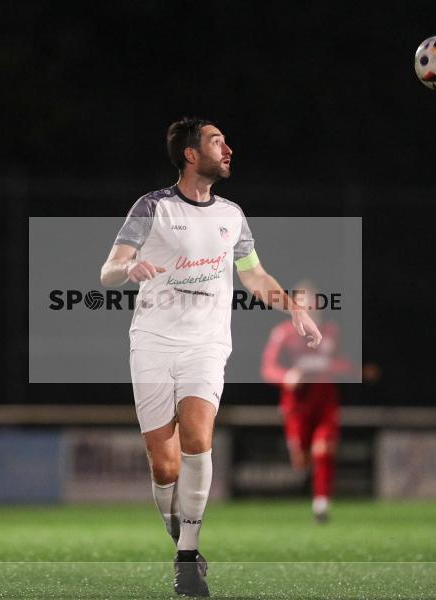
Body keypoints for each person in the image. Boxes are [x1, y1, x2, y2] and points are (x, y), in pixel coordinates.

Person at [100, 117, 322, 597]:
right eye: (218, 142)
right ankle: (180, 537)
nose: (229, 149)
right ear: (190, 155)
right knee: (164, 465)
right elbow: (108, 270)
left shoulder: (233, 215)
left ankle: (186, 556)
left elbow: (254, 275)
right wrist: (127, 266)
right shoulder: (151, 207)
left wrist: (291, 307)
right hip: (153, 343)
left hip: (207, 343)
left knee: (198, 436)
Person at [261, 281, 354, 523]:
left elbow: (349, 365)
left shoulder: (332, 332)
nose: (309, 307)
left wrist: (328, 367)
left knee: (323, 450)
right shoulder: (284, 333)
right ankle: (305, 466)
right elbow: (268, 368)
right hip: (296, 404)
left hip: (324, 401)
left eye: (313, 302)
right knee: (301, 460)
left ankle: (321, 503)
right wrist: (286, 377)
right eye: (303, 303)